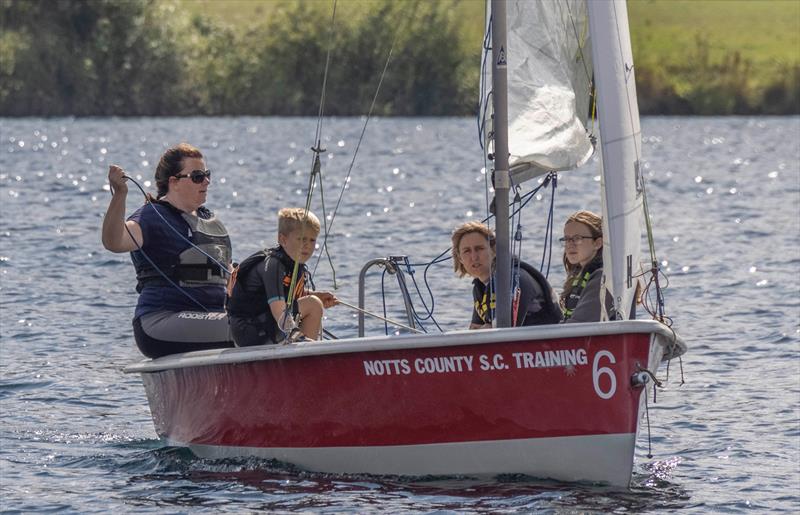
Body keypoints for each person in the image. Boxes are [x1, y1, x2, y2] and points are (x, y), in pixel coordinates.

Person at [101, 143, 235, 358]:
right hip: (161, 322)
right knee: (250, 328)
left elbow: (231, 279)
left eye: (207, 174)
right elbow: (114, 242)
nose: (207, 181)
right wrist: (120, 195)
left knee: (282, 320)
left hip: (212, 319)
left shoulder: (212, 223)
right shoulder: (151, 218)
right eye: (198, 176)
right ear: (174, 182)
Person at [226, 208, 338, 345]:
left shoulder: (294, 263)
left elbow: (285, 294)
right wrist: (297, 334)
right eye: (301, 239)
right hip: (249, 330)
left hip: (265, 323)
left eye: (312, 240)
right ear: (282, 239)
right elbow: (278, 307)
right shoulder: (274, 265)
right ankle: (303, 349)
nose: (307, 246)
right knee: (313, 304)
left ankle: (303, 353)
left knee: (315, 301)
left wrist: (314, 294)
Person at [451, 221, 562, 329]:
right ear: (460, 258)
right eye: (467, 251)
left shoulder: (514, 278)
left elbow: (503, 329)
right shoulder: (480, 288)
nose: (474, 257)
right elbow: (475, 329)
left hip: (548, 343)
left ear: (493, 250)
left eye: (479, 249)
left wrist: (487, 328)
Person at [559, 210, 615, 323]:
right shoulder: (579, 275)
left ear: (597, 243)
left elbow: (580, 325)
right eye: (566, 239)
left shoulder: (603, 278)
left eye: (577, 238)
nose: (570, 244)